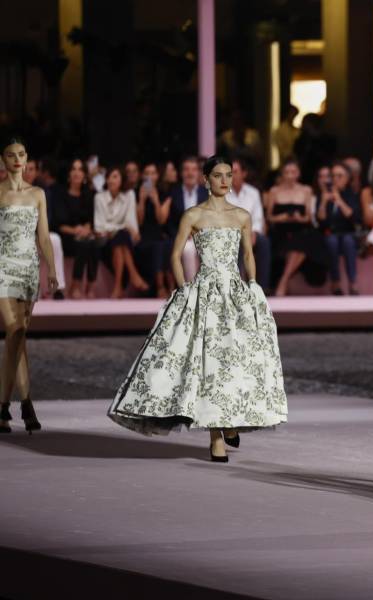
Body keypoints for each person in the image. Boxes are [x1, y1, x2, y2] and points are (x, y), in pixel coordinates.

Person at [109, 155, 287, 462]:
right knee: (208, 365)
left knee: (236, 362)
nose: (224, 181)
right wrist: (184, 288)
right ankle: (216, 436)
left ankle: (230, 421)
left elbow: (247, 255)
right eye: (218, 175)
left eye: (228, 175)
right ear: (206, 180)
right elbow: (175, 255)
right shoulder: (193, 215)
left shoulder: (242, 216)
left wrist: (253, 285)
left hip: (235, 294)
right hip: (204, 293)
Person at [0, 136, 59, 435]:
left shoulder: (38, 194)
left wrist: (52, 269)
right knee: (14, 330)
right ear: (3, 160)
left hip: (28, 269)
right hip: (3, 266)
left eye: (21, 154)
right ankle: (11, 404)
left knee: (19, 338)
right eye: (11, 155)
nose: (17, 159)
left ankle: (17, 406)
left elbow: (43, 236)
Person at [267, 159, 329, 296]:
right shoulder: (274, 191)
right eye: (287, 172)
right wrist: (282, 217)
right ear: (282, 174)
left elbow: (308, 217)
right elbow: (269, 217)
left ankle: (283, 280)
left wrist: (299, 218)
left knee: (304, 240)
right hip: (281, 231)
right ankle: (283, 281)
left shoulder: (306, 190)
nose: (290, 175)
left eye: (293, 172)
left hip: (301, 229)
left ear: (298, 173)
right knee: (292, 243)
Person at [94, 166, 150, 298]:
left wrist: (128, 230)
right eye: (109, 177)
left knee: (120, 238)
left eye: (115, 177)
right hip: (105, 241)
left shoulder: (129, 195)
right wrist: (121, 227)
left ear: (121, 180)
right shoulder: (99, 197)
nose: (111, 180)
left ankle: (118, 287)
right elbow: (99, 226)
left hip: (123, 240)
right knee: (121, 235)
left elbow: (130, 221)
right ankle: (133, 275)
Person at [55, 158, 99, 299]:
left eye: (80, 169)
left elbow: (91, 220)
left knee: (93, 243)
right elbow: (59, 224)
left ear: (84, 175)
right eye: (73, 169)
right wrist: (76, 231)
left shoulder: (89, 195)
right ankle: (75, 285)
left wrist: (86, 229)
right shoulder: (61, 194)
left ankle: (90, 285)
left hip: (84, 236)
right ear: (69, 174)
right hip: (66, 237)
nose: (77, 172)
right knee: (84, 243)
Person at [317, 161, 362, 295]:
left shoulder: (351, 195)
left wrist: (339, 200)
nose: (336, 179)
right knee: (332, 241)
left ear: (347, 178)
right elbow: (321, 220)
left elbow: (354, 217)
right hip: (330, 233)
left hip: (348, 233)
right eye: (333, 176)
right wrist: (324, 202)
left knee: (348, 240)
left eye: (340, 176)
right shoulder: (324, 195)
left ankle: (353, 282)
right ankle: (335, 282)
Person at [227, 159, 271, 292]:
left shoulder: (253, 192)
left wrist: (255, 232)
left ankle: (262, 287)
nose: (232, 176)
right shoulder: (222, 193)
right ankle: (236, 289)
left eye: (235, 172)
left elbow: (258, 218)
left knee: (264, 242)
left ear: (244, 174)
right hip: (230, 233)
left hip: (251, 233)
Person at [24, 157, 66, 298]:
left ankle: (58, 288)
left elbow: (47, 219)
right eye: (25, 169)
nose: (27, 172)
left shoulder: (44, 193)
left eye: (31, 169)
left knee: (55, 239)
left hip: (38, 235)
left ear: (36, 172)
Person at [167, 156, 209, 281]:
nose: (190, 173)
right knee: (188, 249)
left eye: (193, 170)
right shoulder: (174, 193)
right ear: (181, 173)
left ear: (198, 173)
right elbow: (169, 223)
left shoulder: (207, 193)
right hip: (182, 238)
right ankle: (193, 287)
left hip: (204, 235)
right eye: (186, 169)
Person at [135, 162, 173, 298]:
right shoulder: (136, 193)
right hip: (144, 237)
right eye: (147, 173)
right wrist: (141, 200)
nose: (150, 177)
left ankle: (171, 287)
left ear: (157, 176)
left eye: (153, 173)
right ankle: (160, 287)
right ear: (142, 176)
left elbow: (161, 220)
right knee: (159, 247)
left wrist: (156, 201)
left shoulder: (164, 194)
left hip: (159, 234)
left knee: (165, 245)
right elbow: (139, 221)